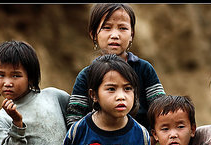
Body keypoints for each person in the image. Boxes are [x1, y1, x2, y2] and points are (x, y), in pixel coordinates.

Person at [66, 3, 165, 132]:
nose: (115, 35)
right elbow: (74, 118)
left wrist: (152, 141)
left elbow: (161, 111)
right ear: (93, 34)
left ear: (131, 35)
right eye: (107, 28)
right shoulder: (87, 75)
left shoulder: (144, 69)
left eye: (122, 28)